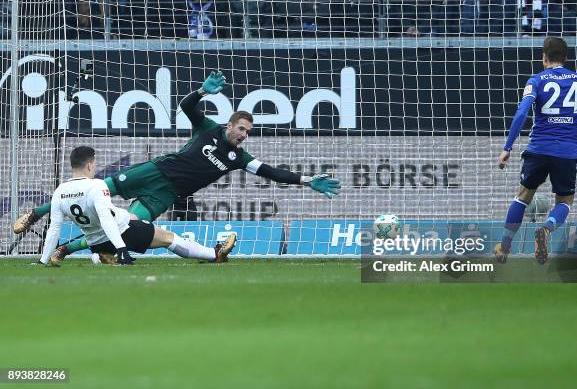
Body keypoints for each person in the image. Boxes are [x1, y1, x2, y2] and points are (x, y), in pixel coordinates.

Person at [15, 71, 340, 260]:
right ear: (229, 125)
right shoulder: (208, 128)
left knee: (127, 228)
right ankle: (36, 214)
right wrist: (201, 91)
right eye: (240, 129)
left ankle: (64, 250)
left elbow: (271, 172)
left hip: (166, 193)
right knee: (99, 188)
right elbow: (186, 105)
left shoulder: (238, 158)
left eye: (248, 132)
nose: (243, 135)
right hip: (157, 170)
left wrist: (306, 179)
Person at [495, 37, 577, 264]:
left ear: (544, 58)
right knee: (564, 201)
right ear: (566, 58)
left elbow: (522, 113)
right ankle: (546, 229)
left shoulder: (536, 80)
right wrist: (575, 114)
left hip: (538, 150)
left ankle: (504, 247)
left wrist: (507, 148)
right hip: (566, 153)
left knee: (523, 197)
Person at [39, 146, 236, 266]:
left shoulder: (60, 192)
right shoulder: (96, 185)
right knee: (169, 238)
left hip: (94, 242)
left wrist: (43, 260)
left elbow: (54, 228)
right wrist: (122, 247)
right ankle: (214, 254)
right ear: (90, 165)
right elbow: (107, 219)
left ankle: (101, 257)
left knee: (126, 220)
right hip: (123, 232)